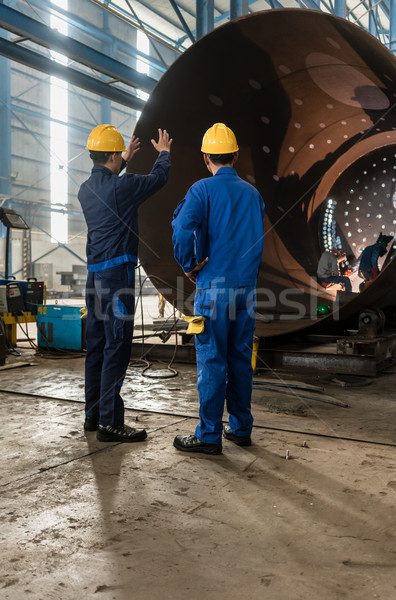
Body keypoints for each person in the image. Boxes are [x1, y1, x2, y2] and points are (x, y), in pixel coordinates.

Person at [171, 123, 265, 455]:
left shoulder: (201, 190)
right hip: (247, 291)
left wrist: (189, 263)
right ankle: (240, 429)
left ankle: (209, 436)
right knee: (241, 359)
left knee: (212, 361)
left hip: (214, 291)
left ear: (205, 158)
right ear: (236, 156)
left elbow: (183, 228)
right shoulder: (253, 194)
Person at [78, 124, 172, 442]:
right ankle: (110, 422)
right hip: (117, 279)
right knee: (117, 346)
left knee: (97, 347)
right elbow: (159, 179)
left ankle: (93, 414)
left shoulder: (85, 189)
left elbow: (112, 189)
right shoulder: (125, 186)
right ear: (115, 155)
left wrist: (124, 161)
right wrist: (164, 155)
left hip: (94, 281)